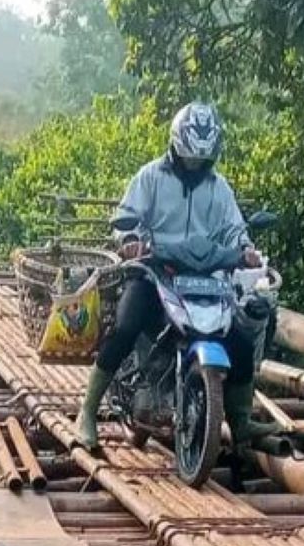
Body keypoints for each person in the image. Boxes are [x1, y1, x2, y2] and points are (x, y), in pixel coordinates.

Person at [74, 101, 282, 454]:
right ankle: (88, 412)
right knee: (126, 326)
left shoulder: (219, 189)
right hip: (156, 272)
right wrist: (130, 241)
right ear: (176, 145)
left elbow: (234, 230)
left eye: (202, 159)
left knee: (241, 341)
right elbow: (126, 217)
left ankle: (241, 420)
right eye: (189, 157)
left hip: (207, 279)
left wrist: (245, 249)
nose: (194, 165)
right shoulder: (150, 177)